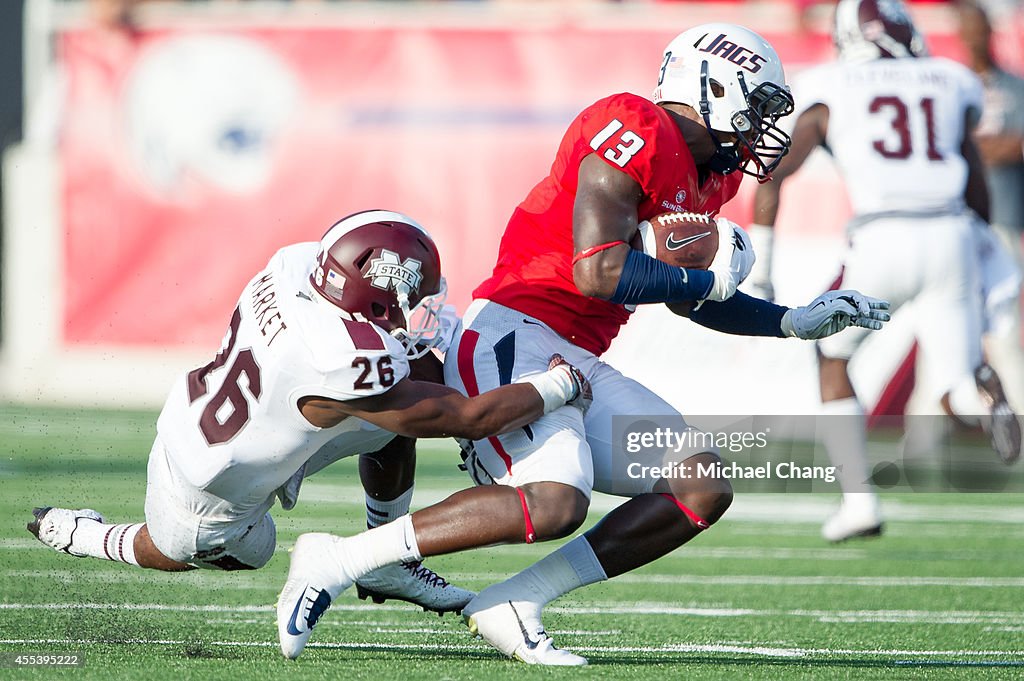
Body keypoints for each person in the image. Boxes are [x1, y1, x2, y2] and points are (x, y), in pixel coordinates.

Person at [276, 23, 890, 665]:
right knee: (557, 501)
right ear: (712, 85)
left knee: (700, 484)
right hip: (514, 332)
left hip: (579, 358)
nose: (764, 126)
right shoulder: (632, 125)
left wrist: (791, 321)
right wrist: (708, 278)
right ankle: (339, 558)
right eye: (759, 104)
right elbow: (595, 269)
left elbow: (687, 297)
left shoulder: (714, 176)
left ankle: (515, 601)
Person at [27, 209, 591, 616]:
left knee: (404, 400)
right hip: (208, 490)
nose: (420, 312)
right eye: (412, 300)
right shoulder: (338, 358)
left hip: (239, 410)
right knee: (212, 549)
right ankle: (89, 536)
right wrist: (562, 383)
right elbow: (467, 419)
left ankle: (388, 561)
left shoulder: (299, 267)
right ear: (372, 297)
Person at [746, 0, 1022, 543]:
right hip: (951, 233)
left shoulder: (831, 84)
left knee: (829, 355)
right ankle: (982, 396)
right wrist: (982, 247)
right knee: (958, 385)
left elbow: (774, 177)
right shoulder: (949, 79)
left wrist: (763, 272)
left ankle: (858, 503)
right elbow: (972, 173)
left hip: (882, 235)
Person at [957, 0, 1024, 411]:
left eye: (980, 29)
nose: (975, 38)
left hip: (1003, 222)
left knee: (1004, 331)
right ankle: (923, 439)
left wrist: (974, 148)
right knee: (944, 333)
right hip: (959, 225)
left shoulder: (1014, 85)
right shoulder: (956, 85)